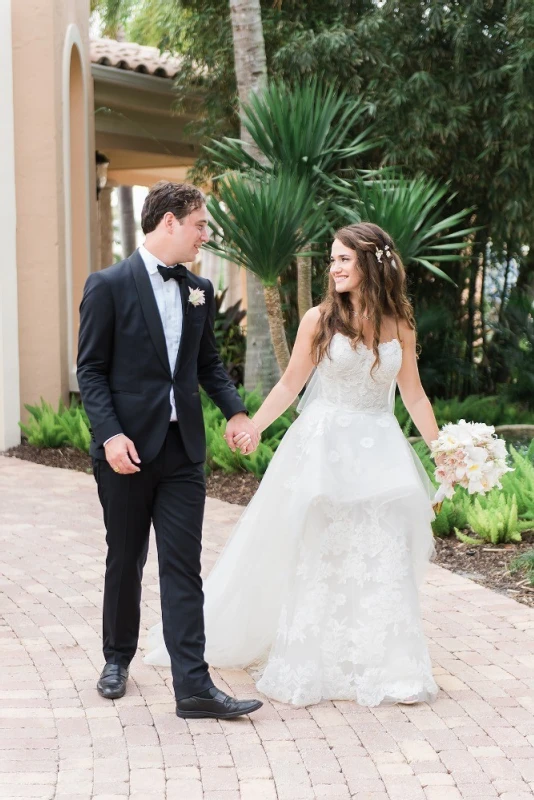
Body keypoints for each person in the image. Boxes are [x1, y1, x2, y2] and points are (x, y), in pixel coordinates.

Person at [145, 222, 442, 707]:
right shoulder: (319, 319)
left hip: (380, 446)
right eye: (332, 260)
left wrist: (442, 450)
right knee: (322, 550)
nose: (335, 268)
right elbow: (290, 385)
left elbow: (412, 392)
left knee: (380, 548)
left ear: (373, 262)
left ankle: (388, 665)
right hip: (325, 450)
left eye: (344, 258)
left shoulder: (399, 323)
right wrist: (254, 425)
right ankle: (313, 660)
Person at [77, 181, 263, 719]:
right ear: (169, 224)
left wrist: (236, 411)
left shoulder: (197, 289)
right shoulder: (108, 285)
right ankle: (117, 658)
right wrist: (110, 435)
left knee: (182, 567)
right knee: (126, 557)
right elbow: (89, 370)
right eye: (200, 225)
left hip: (183, 453)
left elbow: (206, 365)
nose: (206, 234)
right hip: (126, 451)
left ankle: (194, 688)